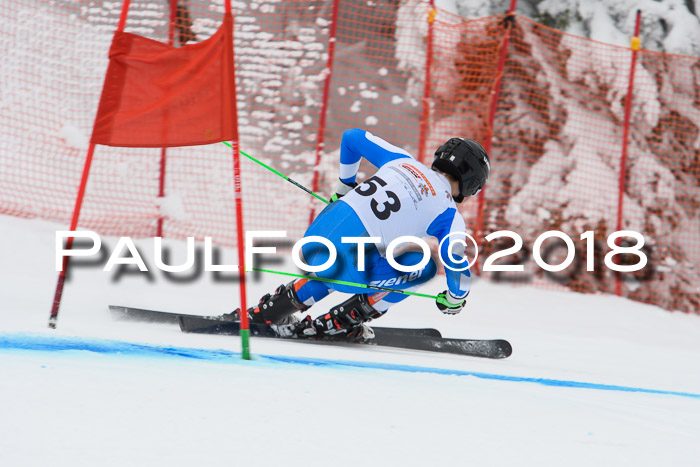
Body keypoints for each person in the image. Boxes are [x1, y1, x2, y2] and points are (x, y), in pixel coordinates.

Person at [235, 128, 490, 341]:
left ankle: (274, 309)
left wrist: (345, 187)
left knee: (345, 255)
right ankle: (340, 323)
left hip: (311, 242)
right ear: (472, 185)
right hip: (347, 265)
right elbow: (455, 264)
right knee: (421, 266)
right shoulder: (448, 213)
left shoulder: (402, 160)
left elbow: (352, 137)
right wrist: (456, 298)